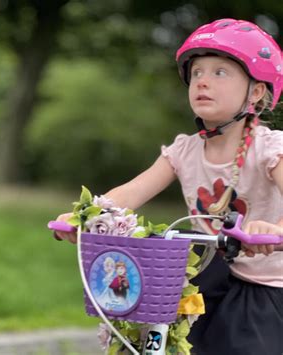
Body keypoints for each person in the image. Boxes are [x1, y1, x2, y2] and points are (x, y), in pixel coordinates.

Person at [54, 18, 283, 355]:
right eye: (197, 73)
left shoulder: (269, 149)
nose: (203, 81)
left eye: (220, 72)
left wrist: (274, 230)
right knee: (156, 341)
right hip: (204, 283)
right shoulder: (184, 151)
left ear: (256, 91)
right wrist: (86, 216)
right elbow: (130, 193)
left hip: (264, 289)